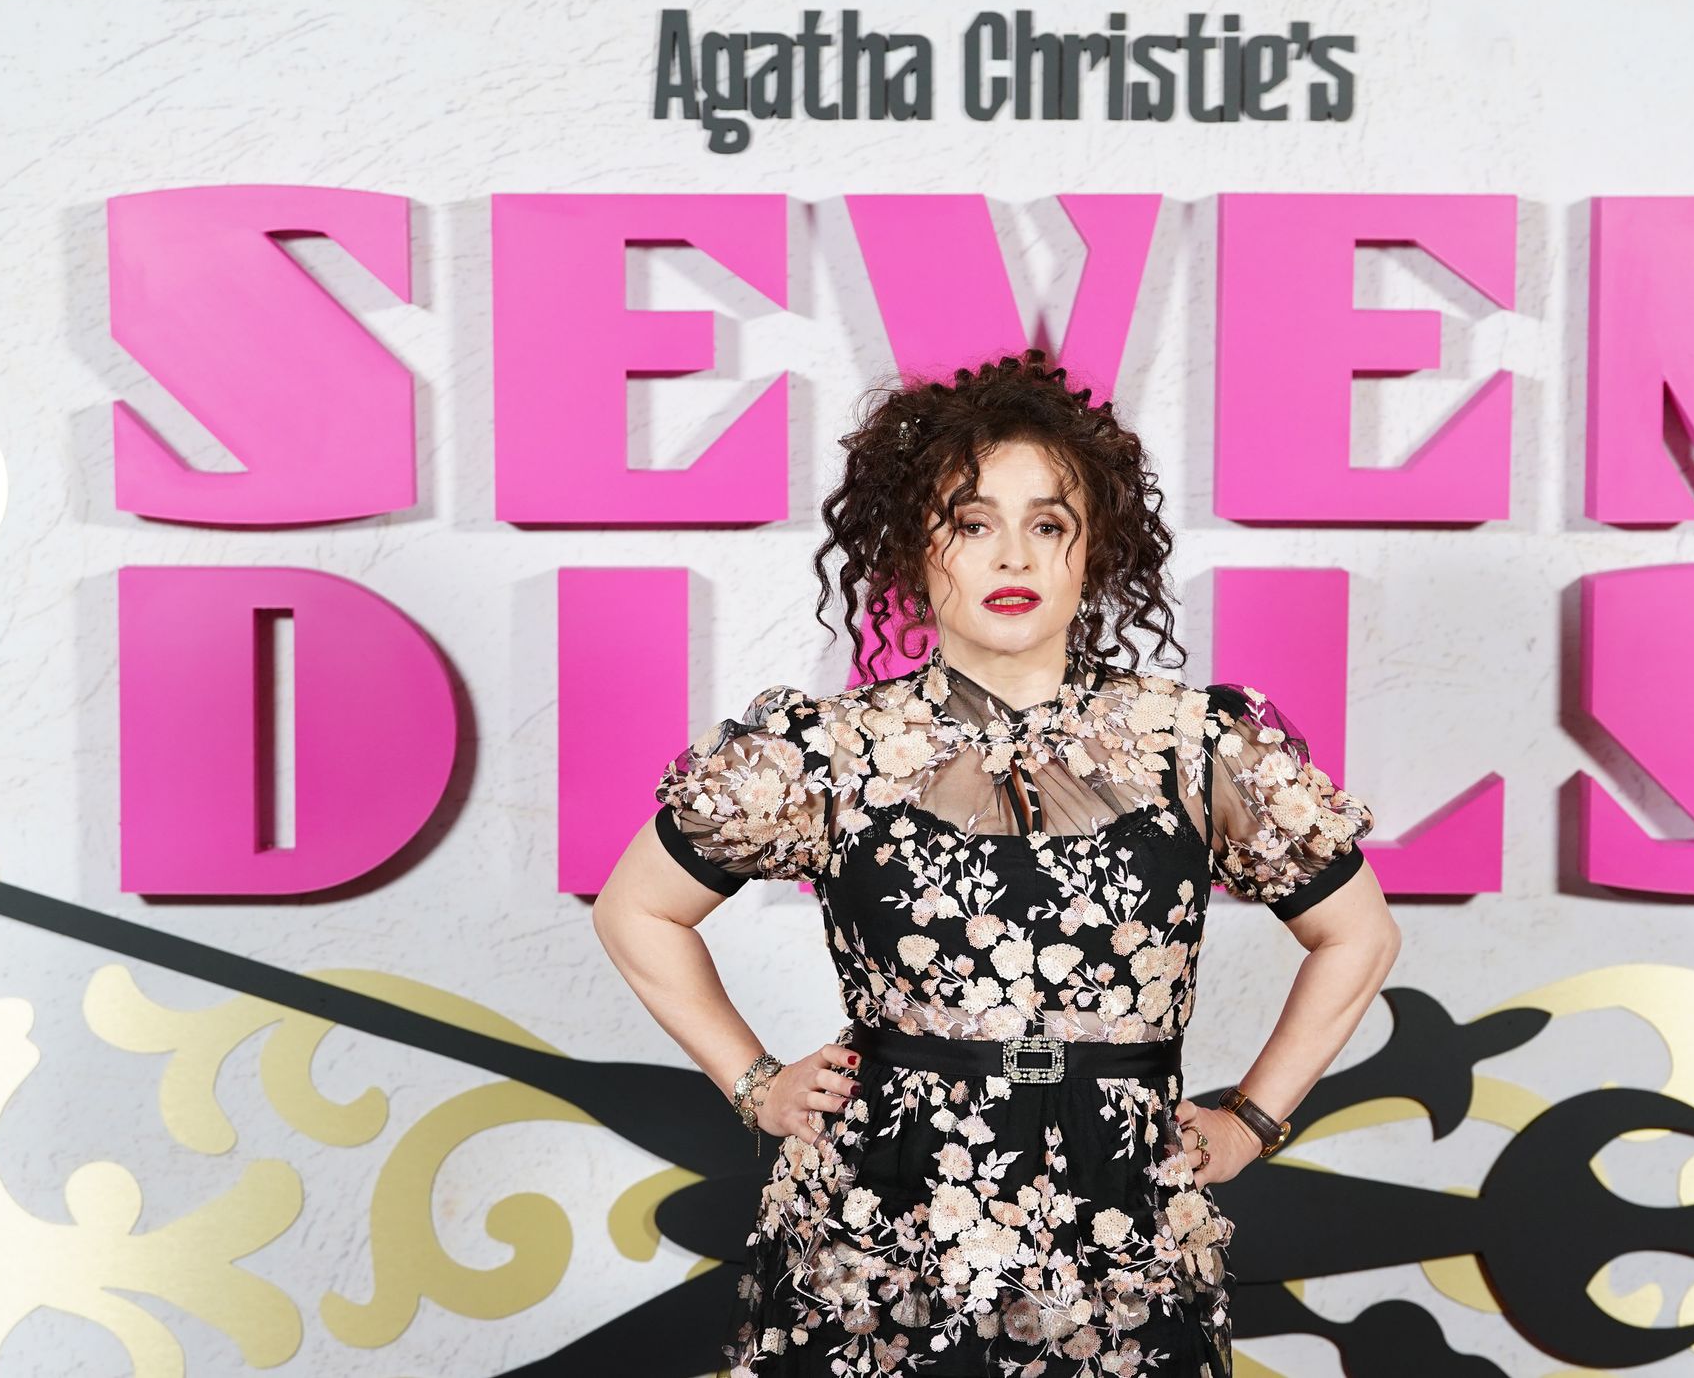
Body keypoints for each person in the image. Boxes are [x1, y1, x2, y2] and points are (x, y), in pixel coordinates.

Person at [592, 349, 1400, 1378]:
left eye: (1047, 524)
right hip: (876, 1232)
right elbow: (637, 910)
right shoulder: (826, 751)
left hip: (1124, 1234)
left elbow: (1357, 935)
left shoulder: (1197, 745)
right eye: (972, 523)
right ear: (911, 548)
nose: (1012, 555)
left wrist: (1249, 1119)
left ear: (1093, 549)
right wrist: (754, 1083)